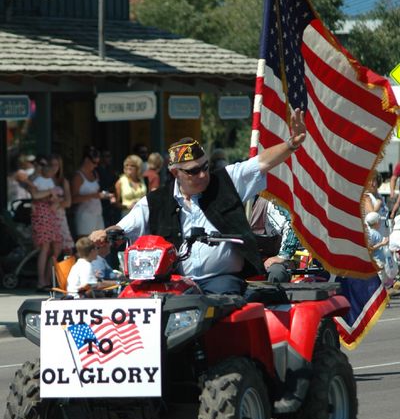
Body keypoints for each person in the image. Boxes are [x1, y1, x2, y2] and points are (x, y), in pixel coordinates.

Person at [89, 109, 306, 295]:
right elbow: (126, 226)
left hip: (221, 279)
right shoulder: (155, 201)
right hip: (173, 281)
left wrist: (291, 144)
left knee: (224, 304)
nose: (202, 174)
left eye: (205, 167)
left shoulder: (226, 181)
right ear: (175, 172)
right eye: (193, 171)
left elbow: (261, 162)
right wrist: (104, 233)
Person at [250, 195, 301, 283]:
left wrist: (283, 255)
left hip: (268, 258)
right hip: (237, 260)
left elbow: (293, 223)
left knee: (277, 274)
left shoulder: (270, 200)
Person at [30, 155, 63, 290]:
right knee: (45, 247)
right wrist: (50, 192)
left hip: (50, 214)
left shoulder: (49, 180)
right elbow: (35, 195)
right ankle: (41, 280)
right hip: (41, 215)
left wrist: (55, 198)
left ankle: (47, 279)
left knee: (55, 247)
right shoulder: (37, 180)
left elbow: (54, 198)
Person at [70, 146, 108, 238]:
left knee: (100, 242)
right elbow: (73, 199)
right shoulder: (78, 177)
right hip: (84, 216)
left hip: (98, 214)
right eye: (94, 162)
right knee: (86, 246)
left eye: (97, 163)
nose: (96, 165)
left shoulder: (95, 174)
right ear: (86, 160)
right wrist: (93, 195)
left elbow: (97, 193)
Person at [50, 153, 74, 255]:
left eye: (56, 165)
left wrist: (58, 204)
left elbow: (68, 202)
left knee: (67, 248)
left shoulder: (63, 181)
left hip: (60, 217)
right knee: (51, 250)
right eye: (51, 165)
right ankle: (49, 271)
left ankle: (64, 271)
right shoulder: (44, 180)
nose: (54, 167)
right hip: (47, 217)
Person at [364, 170, 390, 237]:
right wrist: (378, 205)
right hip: (374, 236)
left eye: (374, 180)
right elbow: (372, 216)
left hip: (384, 232)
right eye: (370, 181)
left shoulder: (379, 196)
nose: (373, 184)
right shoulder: (367, 196)